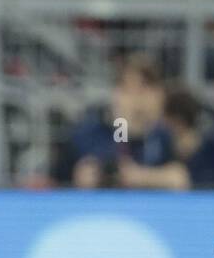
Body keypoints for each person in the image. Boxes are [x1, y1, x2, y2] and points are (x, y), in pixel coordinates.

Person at [53, 53, 172, 188]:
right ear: (116, 93)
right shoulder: (87, 134)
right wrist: (77, 177)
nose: (137, 101)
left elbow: (180, 177)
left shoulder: (162, 136)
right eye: (128, 91)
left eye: (143, 90)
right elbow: (55, 182)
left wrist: (144, 177)